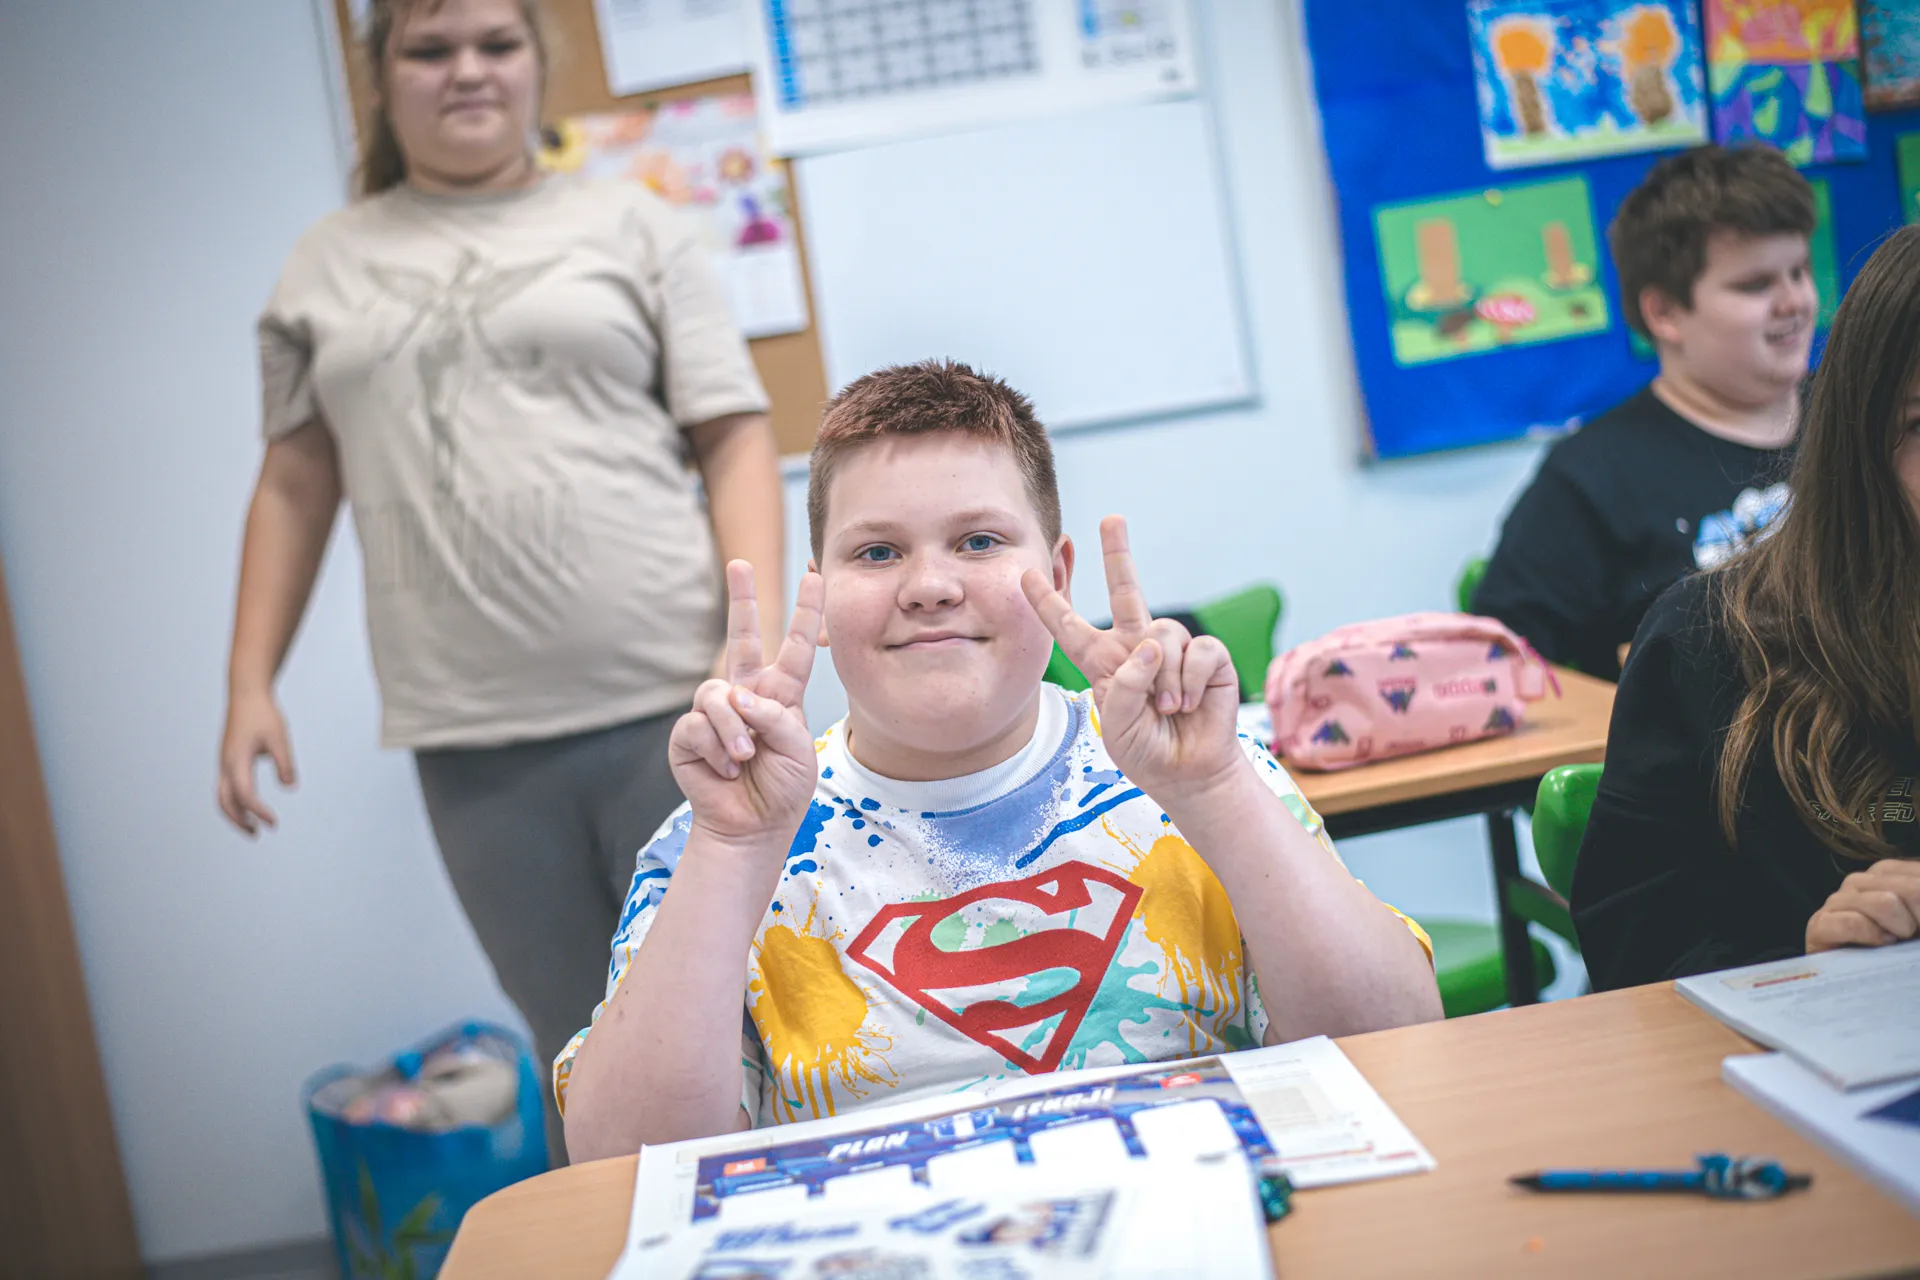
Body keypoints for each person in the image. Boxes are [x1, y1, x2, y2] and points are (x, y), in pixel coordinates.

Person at [556, 361, 1441, 1159]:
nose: (930, 586)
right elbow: (623, 1160)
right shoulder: (719, 836)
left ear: (1058, 574)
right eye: (877, 552)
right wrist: (735, 849)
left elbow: (1395, 1041)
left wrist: (1211, 789)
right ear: (818, 597)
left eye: (978, 541)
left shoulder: (1208, 771)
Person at [215, 0, 784, 1158]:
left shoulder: (634, 223)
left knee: (752, 1018)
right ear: (383, 76)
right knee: (579, 1047)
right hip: (472, 739)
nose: (466, 70)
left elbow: (733, 437)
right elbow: (294, 482)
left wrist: (755, 643)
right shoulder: (325, 262)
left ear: (537, 59)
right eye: (430, 49)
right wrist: (248, 682)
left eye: (495, 43)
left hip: (677, 706)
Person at [1573, 226, 1920, 990]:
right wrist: (1801, 964)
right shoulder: (1710, 646)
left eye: (1798, 272)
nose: (1788, 301)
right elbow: (1639, 955)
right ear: (1860, 444)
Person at [1473, 146, 1817, 680]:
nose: (1794, 301)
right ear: (1665, 312)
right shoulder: (1589, 478)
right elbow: (1496, 669)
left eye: (1799, 272)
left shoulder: (1869, 416)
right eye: (1756, 285)